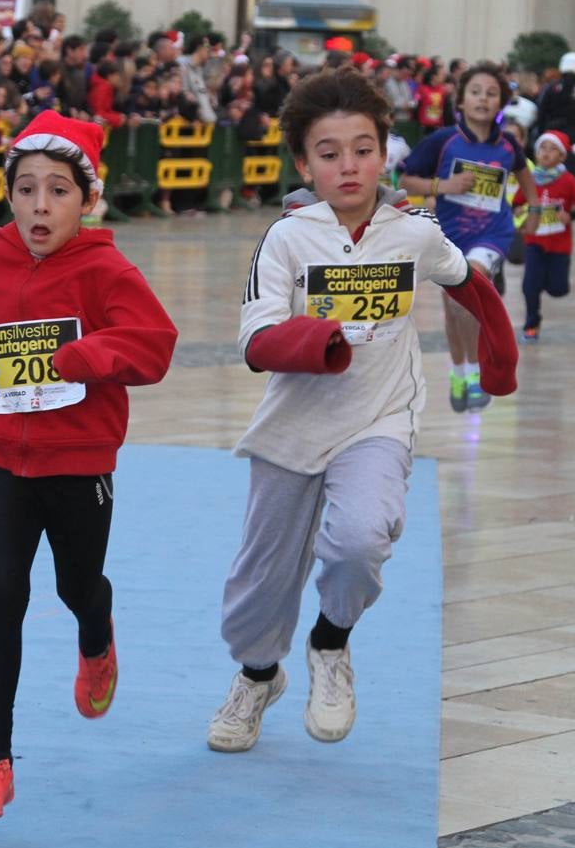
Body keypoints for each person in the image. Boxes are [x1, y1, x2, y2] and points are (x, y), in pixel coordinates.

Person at [206, 66, 517, 754]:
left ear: (385, 152)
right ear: (302, 163)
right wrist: (316, 337)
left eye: (363, 149)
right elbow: (255, 341)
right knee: (258, 585)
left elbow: (470, 284)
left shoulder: (413, 234)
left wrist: (499, 360)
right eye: (329, 153)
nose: (349, 166)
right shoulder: (286, 240)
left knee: (362, 539)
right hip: (293, 426)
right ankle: (258, 676)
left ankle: (331, 643)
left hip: (380, 418)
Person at [0, 111, 177, 822]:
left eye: (58, 191)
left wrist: (88, 356)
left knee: (78, 584)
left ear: (87, 198)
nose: (40, 206)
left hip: (78, 460)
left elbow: (155, 344)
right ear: (8, 194)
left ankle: (97, 636)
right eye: (26, 190)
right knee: (2, 589)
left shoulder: (107, 269)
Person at [398, 61, 540, 412]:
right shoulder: (442, 141)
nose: (483, 99)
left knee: (471, 288)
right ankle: (459, 372)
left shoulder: (508, 145)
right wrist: (444, 186)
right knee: (453, 307)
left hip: (493, 233)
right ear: (460, 101)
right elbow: (404, 180)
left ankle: (477, 374)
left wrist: (533, 210)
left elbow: (525, 178)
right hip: (448, 237)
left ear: (502, 103)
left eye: (492, 94)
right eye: (475, 92)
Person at [510, 130, 575, 342]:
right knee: (529, 286)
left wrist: (569, 216)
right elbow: (517, 201)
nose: (546, 153)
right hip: (534, 240)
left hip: (560, 245)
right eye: (542, 148)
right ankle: (531, 323)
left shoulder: (568, 180)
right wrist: (517, 209)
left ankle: (545, 281)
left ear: (562, 156)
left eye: (553, 149)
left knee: (558, 289)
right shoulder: (529, 179)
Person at [535, 51, 575, 171]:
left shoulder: (552, 87)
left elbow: (542, 111)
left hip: (552, 133)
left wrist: (542, 131)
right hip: (573, 136)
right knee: (569, 169)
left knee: (548, 166)